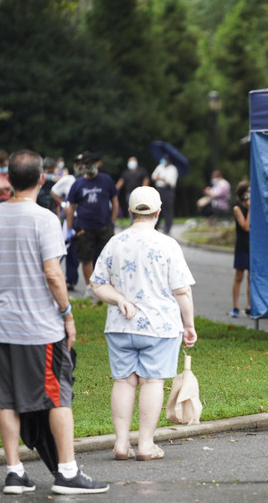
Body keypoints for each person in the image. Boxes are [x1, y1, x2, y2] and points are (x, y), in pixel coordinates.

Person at [0, 150, 108, 494]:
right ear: (41, 180)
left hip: (2, 327)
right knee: (57, 397)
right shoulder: (45, 219)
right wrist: (67, 314)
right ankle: (67, 472)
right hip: (39, 328)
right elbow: (53, 273)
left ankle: (14, 472)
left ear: (8, 178)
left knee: (6, 400)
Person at [91, 186, 197, 461]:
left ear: (129, 211)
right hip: (160, 327)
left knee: (124, 383)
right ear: (158, 212)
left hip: (120, 326)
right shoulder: (167, 244)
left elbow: (97, 283)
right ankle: (146, 445)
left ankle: (122, 444)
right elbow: (182, 291)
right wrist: (189, 325)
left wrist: (118, 299)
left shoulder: (115, 242)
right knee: (151, 382)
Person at [66, 152, 118, 299]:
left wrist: (112, 221)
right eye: (87, 164)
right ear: (83, 166)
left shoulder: (106, 180)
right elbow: (71, 207)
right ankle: (90, 288)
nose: (90, 166)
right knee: (86, 258)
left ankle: (107, 287)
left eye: (93, 163)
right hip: (84, 227)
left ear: (98, 164)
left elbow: (115, 201)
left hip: (104, 226)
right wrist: (70, 228)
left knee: (107, 258)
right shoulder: (78, 184)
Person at [52, 155, 83, 291]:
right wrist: (63, 203)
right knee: (63, 249)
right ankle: (52, 275)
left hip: (82, 219)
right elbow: (54, 191)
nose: (79, 167)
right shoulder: (69, 180)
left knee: (75, 252)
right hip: (70, 218)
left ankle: (71, 279)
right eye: (77, 164)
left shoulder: (88, 181)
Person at [229, 181, 251, 318]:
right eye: (247, 191)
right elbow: (246, 226)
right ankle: (235, 306)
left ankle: (249, 306)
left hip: (252, 246)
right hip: (242, 245)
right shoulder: (237, 209)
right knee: (239, 276)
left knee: (251, 277)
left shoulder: (254, 207)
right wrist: (249, 209)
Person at [115, 156, 150, 222]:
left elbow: (146, 180)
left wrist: (144, 189)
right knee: (131, 209)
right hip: (129, 194)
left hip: (139, 193)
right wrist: (114, 190)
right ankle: (133, 222)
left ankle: (141, 221)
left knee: (140, 208)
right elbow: (121, 181)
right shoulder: (126, 173)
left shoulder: (141, 171)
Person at [151, 155, 177, 234]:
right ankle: (156, 226)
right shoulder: (160, 167)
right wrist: (159, 178)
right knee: (157, 208)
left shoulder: (173, 169)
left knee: (167, 209)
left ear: (169, 161)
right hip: (159, 189)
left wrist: (162, 179)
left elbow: (171, 182)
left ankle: (167, 228)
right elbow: (153, 177)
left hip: (168, 190)